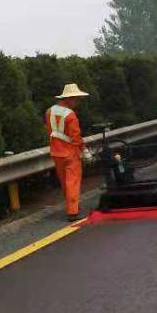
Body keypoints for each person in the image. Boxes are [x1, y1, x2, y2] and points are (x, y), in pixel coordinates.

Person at [46, 83, 93, 221]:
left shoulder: (49, 111)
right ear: (69, 98)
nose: (78, 102)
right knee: (72, 181)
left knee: (65, 182)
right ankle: (73, 212)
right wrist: (84, 150)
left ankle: (72, 207)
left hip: (56, 152)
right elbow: (75, 136)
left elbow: (50, 131)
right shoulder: (70, 115)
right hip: (70, 152)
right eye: (76, 99)